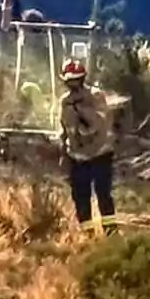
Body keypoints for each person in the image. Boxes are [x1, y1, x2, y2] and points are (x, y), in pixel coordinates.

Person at [59, 59, 118, 235]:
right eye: (70, 80)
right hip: (77, 158)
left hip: (100, 155)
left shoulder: (96, 96)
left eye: (76, 79)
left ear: (83, 78)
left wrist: (82, 109)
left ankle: (111, 234)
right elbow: (64, 127)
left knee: (103, 196)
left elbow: (99, 123)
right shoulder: (65, 102)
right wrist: (63, 150)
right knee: (80, 198)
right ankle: (88, 235)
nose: (73, 83)